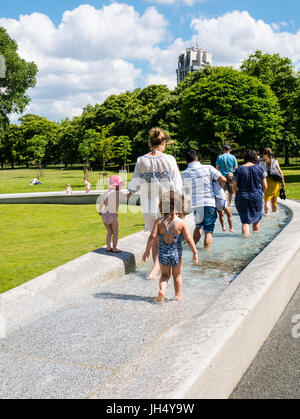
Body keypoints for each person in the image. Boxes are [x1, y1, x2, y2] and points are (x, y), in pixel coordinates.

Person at [128, 127, 182, 280]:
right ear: (163, 142)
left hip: (148, 204)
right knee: (166, 239)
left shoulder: (141, 160)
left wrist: (130, 193)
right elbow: (177, 184)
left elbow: (135, 181)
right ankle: (156, 270)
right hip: (166, 204)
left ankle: (156, 269)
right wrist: (178, 206)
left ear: (150, 142)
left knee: (154, 239)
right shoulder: (169, 159)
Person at [142, 192, 198, 305]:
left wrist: (147, 251)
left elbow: (152, 236)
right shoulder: (181, 223)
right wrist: (195, 252)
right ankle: (177, 296)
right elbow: (188, 239)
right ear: (180, 206)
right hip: (176, 254)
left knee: (164, 276)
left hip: (162, 255)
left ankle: (162, 290)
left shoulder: (158, 222)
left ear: (163, 206)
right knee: (177, 275)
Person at [181, 150, 227, 248]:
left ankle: (192, 250)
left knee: (198, 227)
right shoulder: (208, 168)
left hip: (196, 204)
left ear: (186, 162)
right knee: (208, 231)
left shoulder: (184, 174)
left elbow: (184, 191)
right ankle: (206, 255)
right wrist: (219, 189)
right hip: (209, 202)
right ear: (197, 158)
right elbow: (223, 179)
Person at [233, 150, 267, 237]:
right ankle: (255, 242)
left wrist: (237, 194)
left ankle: (245, 243)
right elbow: (265, 186)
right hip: (256, 196)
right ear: (255, 158)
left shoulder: (239, 169)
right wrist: (260, 193)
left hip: (242, 196)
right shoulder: (259, 169)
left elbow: (234, 186)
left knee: (245, 221)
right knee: (256, 220)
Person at [98, 175, 127, 253]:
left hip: (104, 215)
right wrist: (131, 192)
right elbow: (127, 197)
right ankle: (114, 248)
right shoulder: (117, 192)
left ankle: (108, 247)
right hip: (112, 215)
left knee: (109, 232)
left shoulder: (104, 193)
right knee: (115, 232)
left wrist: (100, 211)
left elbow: (100, 205)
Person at [258, 148, 285, 215]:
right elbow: (280, 172)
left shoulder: (260, 161)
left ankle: (267, 214)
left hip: (264, 180)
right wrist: (283, 182)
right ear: (271, 153)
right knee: (274, 197)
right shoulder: (275, 161)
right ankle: (274, 213)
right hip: (274, 181)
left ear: (263, 153)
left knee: (267, 199)